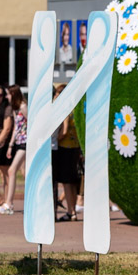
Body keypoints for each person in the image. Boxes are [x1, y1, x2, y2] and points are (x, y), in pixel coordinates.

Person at [51, 83, 82, 220]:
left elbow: (64, 130)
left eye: (57, 94)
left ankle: (71, 211)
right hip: (75, 146)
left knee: (66, 181)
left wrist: (55, 139)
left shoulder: (65, 109)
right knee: (72, 180)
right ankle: (72, 209)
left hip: (64, 147)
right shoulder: (75, 108)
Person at [0, 85, 28, 214]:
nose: (6, 97)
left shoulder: (23, 107)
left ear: (13, 94)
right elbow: (16, 127)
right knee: (25, 174)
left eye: (8, 94)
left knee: (11, 170)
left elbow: (31, 122)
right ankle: (31, 201)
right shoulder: (15, 109)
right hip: (19, 143)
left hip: (26, 143)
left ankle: (9, 203)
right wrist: (10, 145)